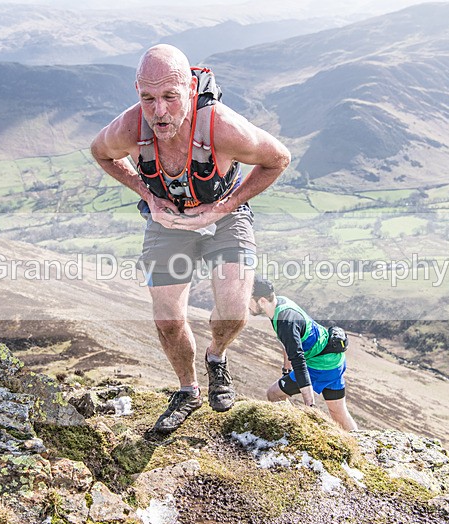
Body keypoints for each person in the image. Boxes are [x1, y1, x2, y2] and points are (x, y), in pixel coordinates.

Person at [90, 44, 291, 433]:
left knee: (233, 310)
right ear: (136, 91)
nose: (159, 111)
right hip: (167, 220)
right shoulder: (130, 127)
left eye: (169, 97)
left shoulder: (223, 126)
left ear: (190, 90)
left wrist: (223, 207)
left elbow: (277, 158)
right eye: (148, 98)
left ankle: (216, 357)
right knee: (167, 318)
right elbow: (101, 153)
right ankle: (188, 389)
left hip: (224, 214)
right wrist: (147, 194)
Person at [249, 275, 358, 432]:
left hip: (320, 367)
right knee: (339, 412)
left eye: (249, 299)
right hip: (335, 360)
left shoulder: (285, 322)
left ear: (262, 301)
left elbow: (298, 360)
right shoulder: (280, 304)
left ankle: (291, 431)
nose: (246, 304)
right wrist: (286, 370)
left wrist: (309, 404)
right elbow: (288, 344)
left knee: (274, 394)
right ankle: (360, 446)